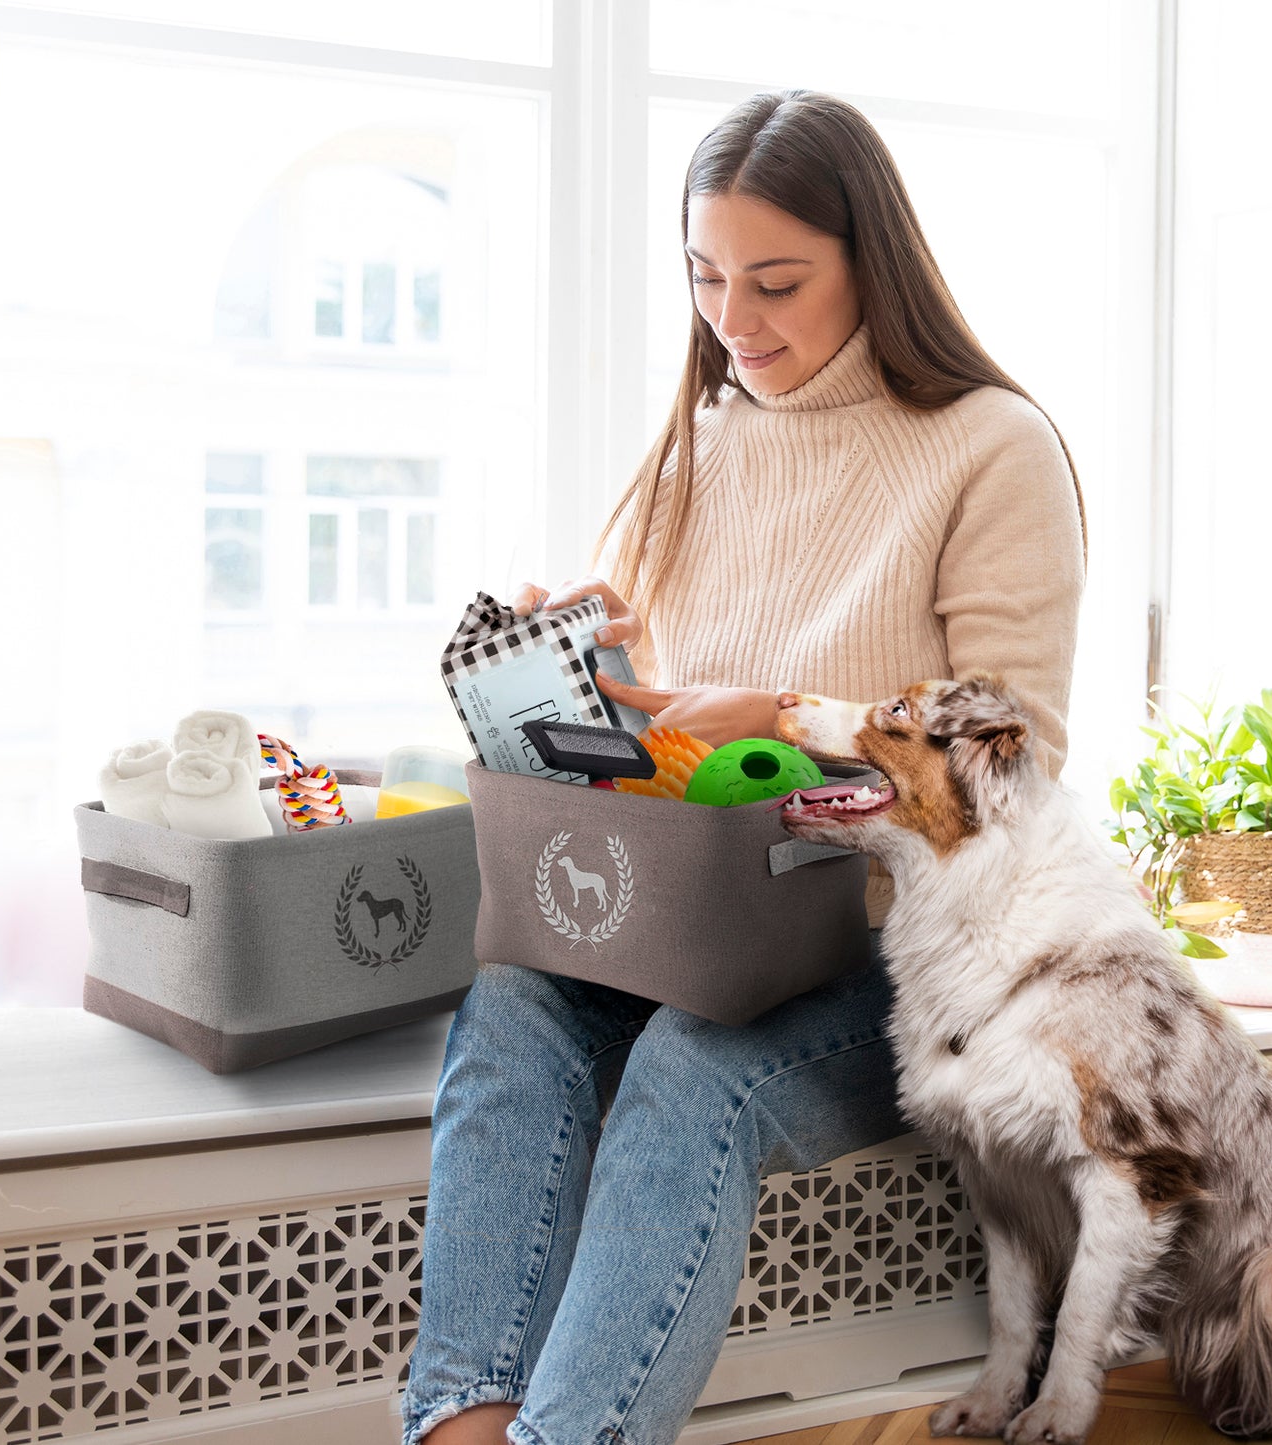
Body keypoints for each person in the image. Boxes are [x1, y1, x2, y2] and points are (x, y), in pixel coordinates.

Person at [401, 89, 1085, 1445]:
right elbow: (665, 758)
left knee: (688, 1074)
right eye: (707, 278)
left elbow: (1014, 766)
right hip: (694, 928)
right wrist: (588, 687)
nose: (735, 319)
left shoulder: (988, 447)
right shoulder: (689, 454)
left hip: (893, 962)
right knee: (512, 1003)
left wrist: (780, 709)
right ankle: (456, 1433)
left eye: (776, 282)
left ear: (869, 265)